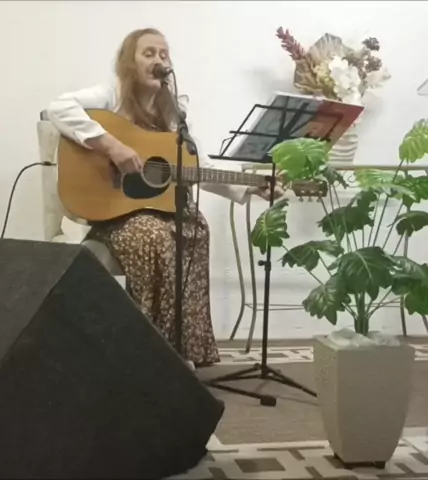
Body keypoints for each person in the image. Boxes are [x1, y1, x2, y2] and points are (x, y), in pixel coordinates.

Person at [46, 28, 281, 368]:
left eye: (163, 54)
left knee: (195, 229)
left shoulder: (173, 111)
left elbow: (195, 164)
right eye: (148, 53)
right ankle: (147, 349)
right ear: (129, 61)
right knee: (154, 236)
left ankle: (183, 349)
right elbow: (58, 107)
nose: (158, 60)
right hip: (114, 215)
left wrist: (249, 186)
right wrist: (112, 146)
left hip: (158, 210)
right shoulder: (111, 95)